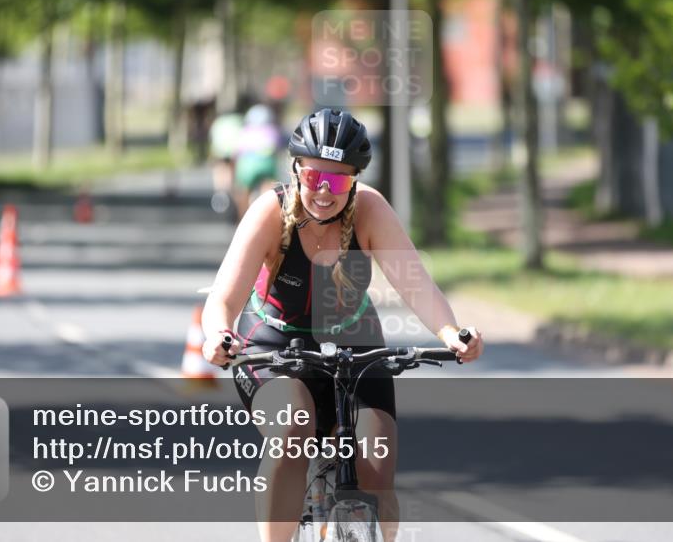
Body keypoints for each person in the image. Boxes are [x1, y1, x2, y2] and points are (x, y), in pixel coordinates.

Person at [201, 108, 484, 542]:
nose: (323, 192)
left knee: (377, 462)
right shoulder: (270, 212)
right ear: (296, 170)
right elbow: (222, 297)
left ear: (354, 181)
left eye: (337, 181)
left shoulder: (371, 211)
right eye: (314, 178)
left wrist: (451, 333)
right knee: (293, 426)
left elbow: (417, 286)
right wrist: (218, 335)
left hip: (354, 340)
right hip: (275, 341)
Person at [233, 103, 284, 216]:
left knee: (243, 192)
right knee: (269, 192)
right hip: (267, 163)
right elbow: (278, 150)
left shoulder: (245, 131)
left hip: (247, 164)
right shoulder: (272, 130)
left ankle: (243, 216)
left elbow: (236, 152)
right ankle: (266, 216)